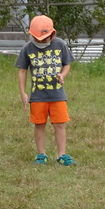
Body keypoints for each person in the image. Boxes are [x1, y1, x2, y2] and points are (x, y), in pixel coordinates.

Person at [16, 15, 76, 166]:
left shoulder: (60, 44)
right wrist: (23, 92)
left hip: (57, 95)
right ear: (32, 35)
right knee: (39, 125)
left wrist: (62, 75)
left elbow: (67, 64)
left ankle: (62, 154)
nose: (44, 41)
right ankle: (41, 154)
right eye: (40, 38)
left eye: (47, 37)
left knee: (59, 124)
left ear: (53, 34)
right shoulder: (27, 48)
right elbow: (22, 71)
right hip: (38, 96)